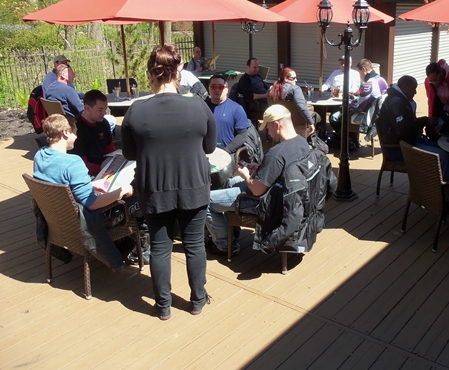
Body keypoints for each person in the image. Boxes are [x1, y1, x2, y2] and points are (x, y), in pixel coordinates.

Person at [121, 44, 217, 321]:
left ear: (151, 75)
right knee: (194, 245)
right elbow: (210, 147)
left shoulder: (136, 111)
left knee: (161, 248)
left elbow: (129, 153)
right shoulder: (199, 106)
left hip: (154, 190)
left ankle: (163, 307)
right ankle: (197, 300)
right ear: (179, 72)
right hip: (194, 187)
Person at [205, 105, 310, 255]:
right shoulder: (302, 143)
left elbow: (257, 190)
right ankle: (231, 228)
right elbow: (281, 170)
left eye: (268, 128)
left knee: (207, 201)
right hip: (288, 197)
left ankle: (224, 245)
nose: (268, 132)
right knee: (230, 182)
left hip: (267, 203)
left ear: (277, 125)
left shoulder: (276, 153)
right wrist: (261, 168)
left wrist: (246, 175)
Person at [33, 114, 134, 269]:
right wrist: (121, 191)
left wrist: (92, 183)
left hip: (57, 218)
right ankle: (136, 247)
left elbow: (61, 184)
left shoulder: (40, 156)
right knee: (135, 200)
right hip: (80, 223)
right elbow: (92, 204)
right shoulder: (73, 162)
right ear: (65, 133)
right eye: (74, 132)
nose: (76, 136)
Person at [378, 75, 449, 181]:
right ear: (405, 87)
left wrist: (425, 123)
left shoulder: (401, 100)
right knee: (442, 156)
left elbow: (409, 126)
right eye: (413, 89)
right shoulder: (396, 102)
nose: (416, 92)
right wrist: (425, 121)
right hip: (398, 149)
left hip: (410, 141)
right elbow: (403, 130)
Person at [330, 58, 387, 149]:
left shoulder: (369, 84)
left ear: (364, 70)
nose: (360, 76)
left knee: (335, 117)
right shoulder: (382, 80)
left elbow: (359, 106)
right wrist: (355, 97)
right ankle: (354, 141)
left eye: (359, 72)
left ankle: (348, 141)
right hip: (380, 114)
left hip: (368, 116)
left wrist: (348, 100)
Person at [70, 90, 115, 176]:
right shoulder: (76, 129)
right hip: (86, 172)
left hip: (104, 166)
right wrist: (103, 171)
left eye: (105, 109)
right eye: (100, 109)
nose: (104, 113)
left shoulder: (104, 123)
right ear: (87, 108)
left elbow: (110, 149)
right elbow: (81, 163)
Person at [206, 74, 250, 155]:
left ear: (226, 90)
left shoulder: (237, 109)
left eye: (220, 87)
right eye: (213, 87)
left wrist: (226, 151)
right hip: (205, 153)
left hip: (227, 153)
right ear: (209, 89)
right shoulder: (202, 107)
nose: (217, 90)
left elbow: (243, 134)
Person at [268, 67, 317, 135]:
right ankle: (313, 140)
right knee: (317, 117)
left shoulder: (271, 89)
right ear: (285, 78)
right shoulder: (295, 89)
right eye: (293, 78)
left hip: (280, 122)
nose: (296, 80)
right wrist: (311, 123)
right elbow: (302, 107)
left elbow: (270, 107)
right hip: (298, 124)